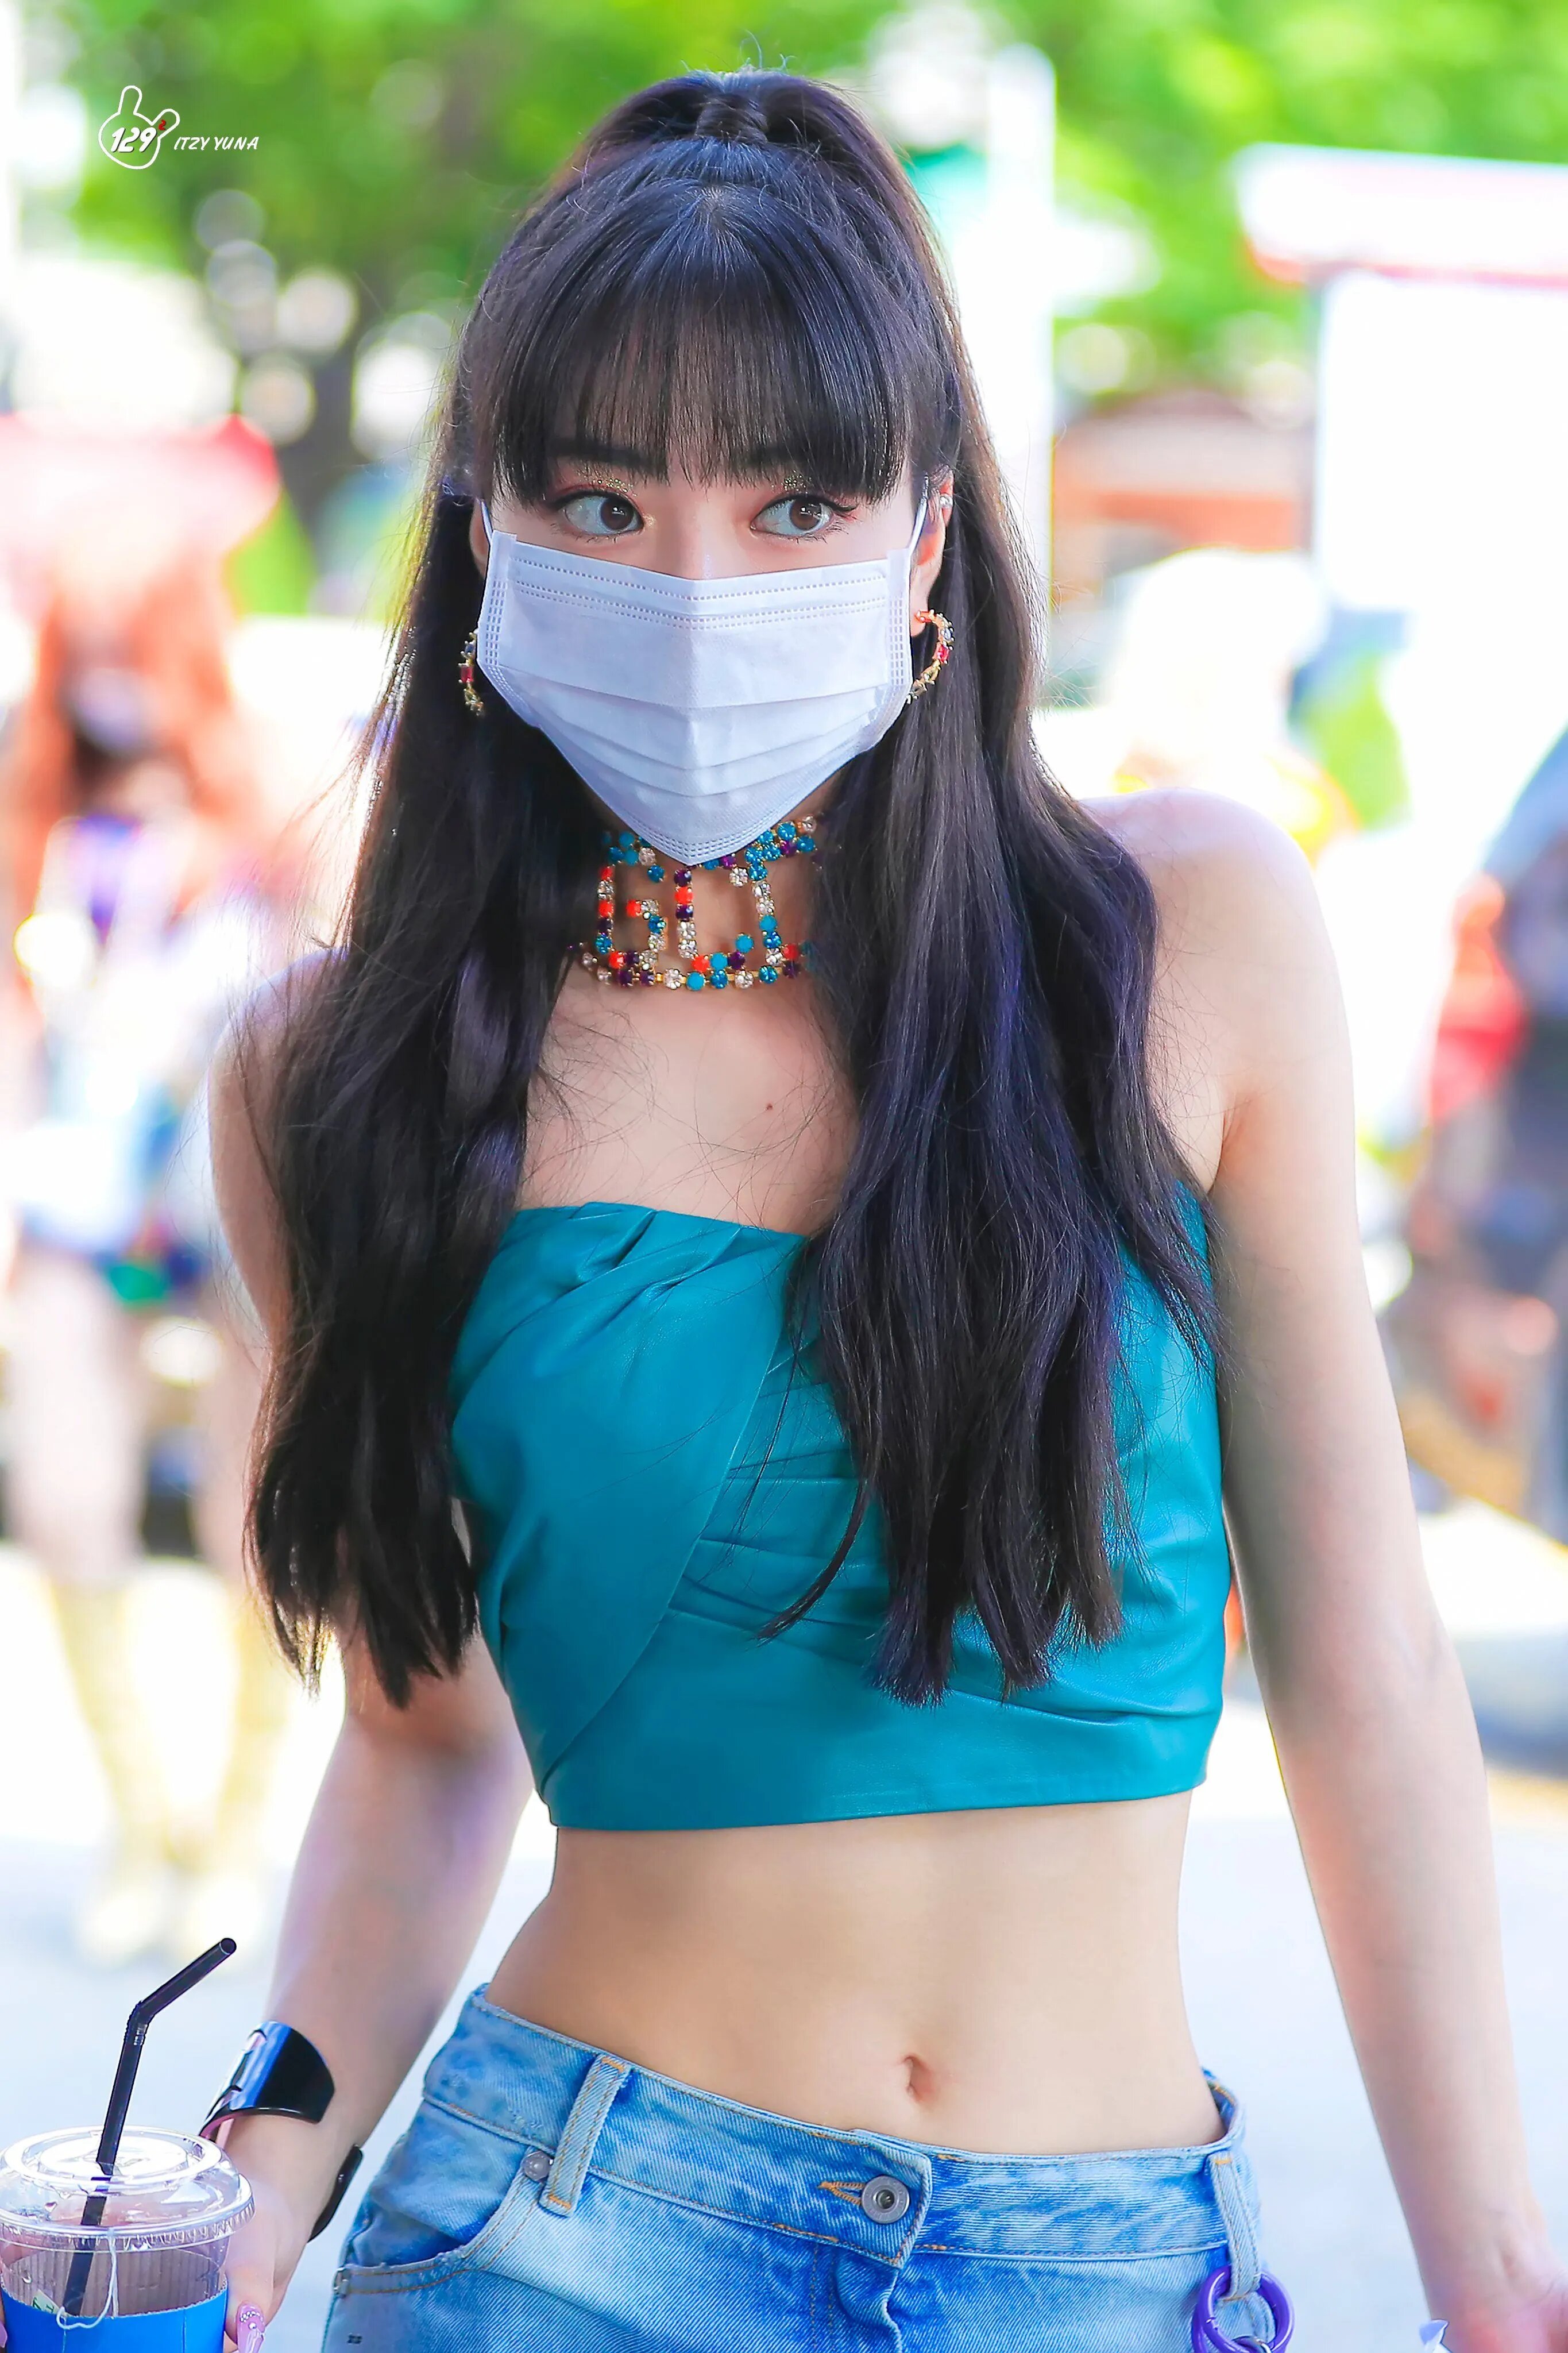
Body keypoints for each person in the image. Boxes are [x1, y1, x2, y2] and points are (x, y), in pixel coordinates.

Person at [205, 70, 1567, 2353]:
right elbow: (425, 1750)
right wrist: (247, 2192)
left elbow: (1363, 1668)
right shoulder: (344, 1074)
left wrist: (1496, 2273)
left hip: (1100, 2263)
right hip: (555, 2243)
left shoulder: (1184, 934)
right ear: (488, 541)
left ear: (925, 540)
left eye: (796, 500)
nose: (698, 584)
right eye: (603, 500)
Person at [1, 544, 296, 1967]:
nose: (110, 686)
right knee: (67, 1496)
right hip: (77, 1197)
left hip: (234, 1198)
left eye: (133, 651)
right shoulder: (37, 816)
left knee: (260, 1523)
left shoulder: (268, 815)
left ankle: (233, 1838)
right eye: (88, 656)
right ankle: (142, 1828)